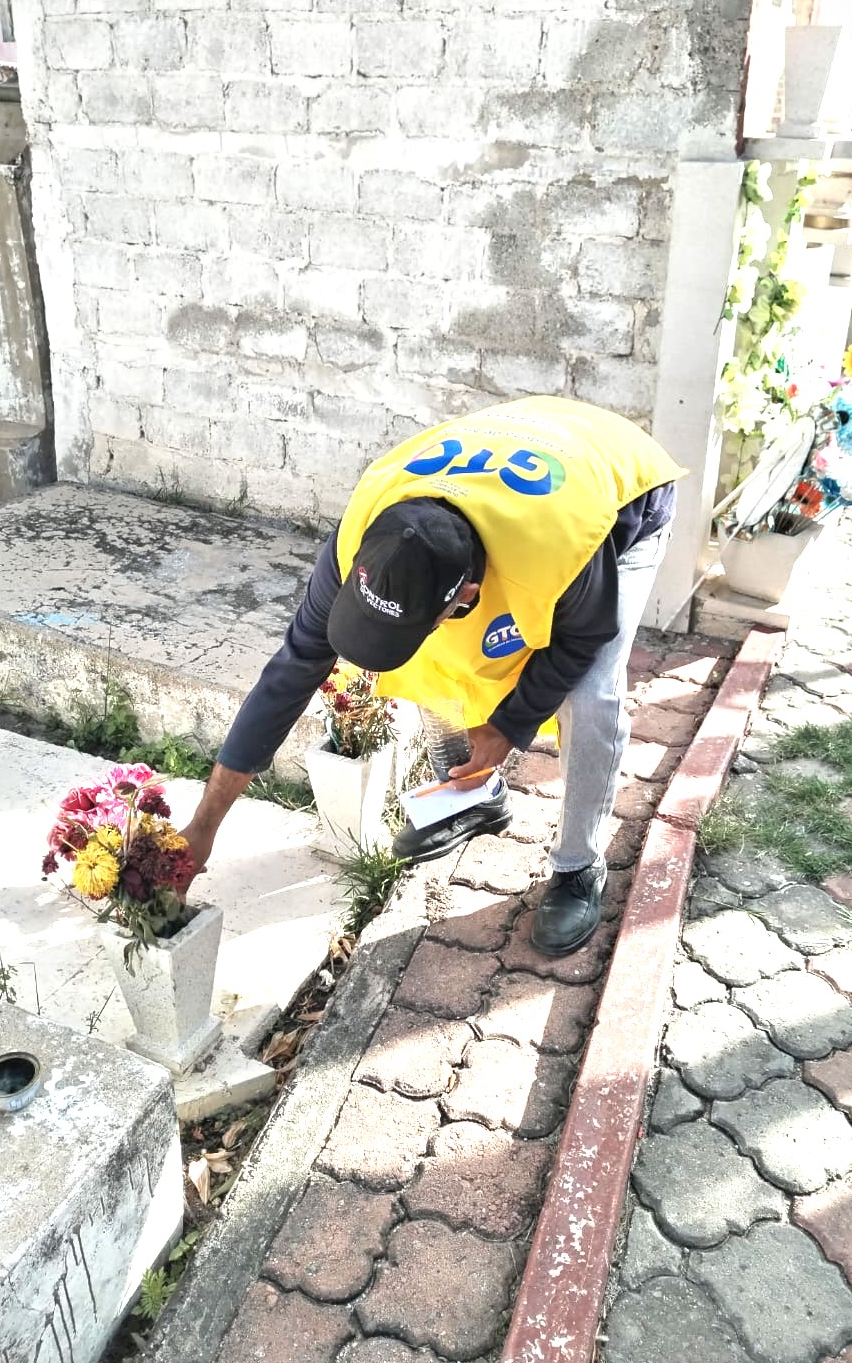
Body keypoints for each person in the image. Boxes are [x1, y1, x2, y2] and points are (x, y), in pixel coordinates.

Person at [181, 395, 684, 958]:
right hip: (517, 458)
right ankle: (470, 796)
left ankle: (579, 865)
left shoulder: (558, 552)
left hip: (622, 495)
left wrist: (510, 725)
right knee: (429, 651)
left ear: (468, 595)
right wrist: (204, 826)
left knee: (590, 694)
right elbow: (291, 671)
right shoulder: (363, 537)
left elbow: (581, 639)